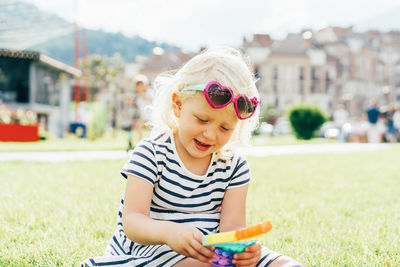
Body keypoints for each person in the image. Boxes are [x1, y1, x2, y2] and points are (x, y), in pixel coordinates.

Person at [82, 47, 302, 267]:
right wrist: (169, 232)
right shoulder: (151, 154)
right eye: (202, 120)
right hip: (150, 252)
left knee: (286, 265)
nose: (210, 134)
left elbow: (232, 231)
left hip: (212, 254)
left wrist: (243, 251)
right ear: (178, 105)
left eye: (225, 127)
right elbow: (132, 222)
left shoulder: (234, 166)